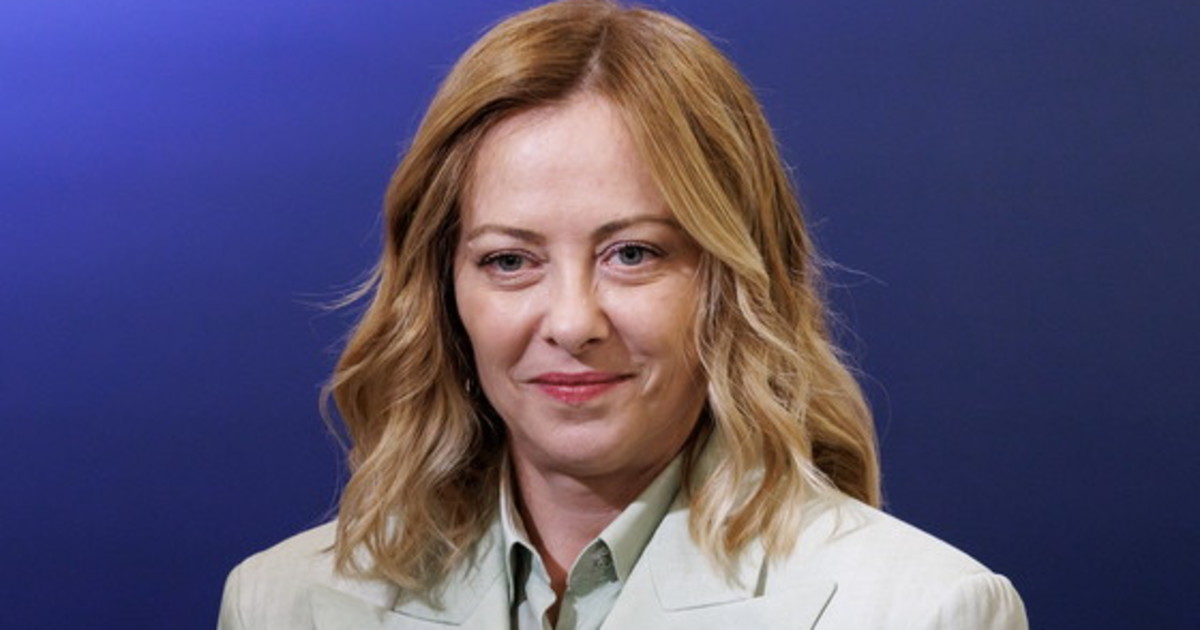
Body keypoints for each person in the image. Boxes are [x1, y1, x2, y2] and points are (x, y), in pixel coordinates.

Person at [217, 1, 1028, 628]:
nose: (572, 322)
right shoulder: (281, 606)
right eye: (510, 260)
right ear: (442, 292)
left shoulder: (923, 610)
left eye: (633, 253)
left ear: (735, 280)